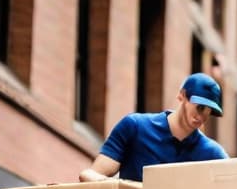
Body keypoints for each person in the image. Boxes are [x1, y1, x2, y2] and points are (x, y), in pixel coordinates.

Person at [80, 70, 228, 182]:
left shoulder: (213, 154)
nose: (202, 117)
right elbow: (91, 175)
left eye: (209, 113)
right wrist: (122, 188)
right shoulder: (135, 127)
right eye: (200, 108)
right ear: (182, 96)